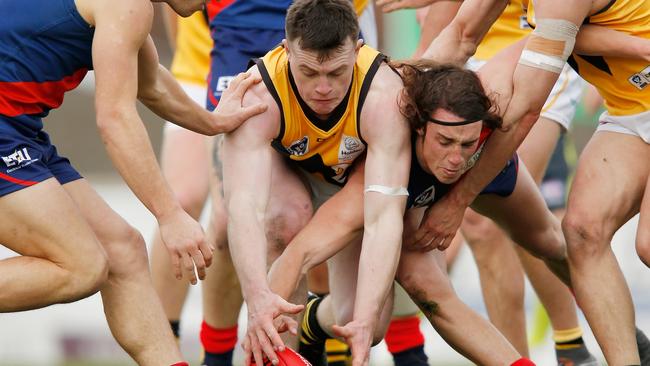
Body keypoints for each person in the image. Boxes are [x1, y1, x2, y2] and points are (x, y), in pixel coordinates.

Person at [381, 0, 650, 364]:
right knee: (581, 232)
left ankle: (568, 340)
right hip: (626, 108)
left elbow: (524, 109)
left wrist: (457, 201)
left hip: (542, 74)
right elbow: (460, 34)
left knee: (646, 244)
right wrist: (379, 91)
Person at [0, 0, 265, 365]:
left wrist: (214, 122)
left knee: (123, 252)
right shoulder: (126, 5)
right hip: (7, 132)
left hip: (19, 131)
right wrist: (170, 215)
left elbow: (152, 83)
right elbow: (114, 119)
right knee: (82, 266)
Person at [264, 61, 563, 366]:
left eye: (467, 143)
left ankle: (580, 337)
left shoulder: (485, 121)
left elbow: (540, 43)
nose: (455, 159)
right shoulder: (381, 169)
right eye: (444, 142)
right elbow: (297, 254)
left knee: (556, 243)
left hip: (479, 173)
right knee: (378, 316)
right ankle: (314, 321)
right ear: (419, 127)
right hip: (402, 197)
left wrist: (459, 200)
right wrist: (260, 327)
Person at [220, 1, 416, 365]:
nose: (323, 88)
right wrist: (257, 298)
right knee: (284, 218)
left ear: (357, 51)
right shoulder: (258, 95)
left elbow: (382, 218)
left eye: (337, 72)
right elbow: (244, 207)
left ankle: (312, 320)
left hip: (347, 185)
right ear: (285, 49)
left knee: (364, 325)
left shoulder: (386, 97)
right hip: (286, 172)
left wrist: (363, 319)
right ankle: (277, 353)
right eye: (308, 72)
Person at [149, 4, 213, 344]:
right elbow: (179, 12)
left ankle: (324, 342)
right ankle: (162, 341)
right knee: (182, 200)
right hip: (199, 73)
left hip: (288, 75)